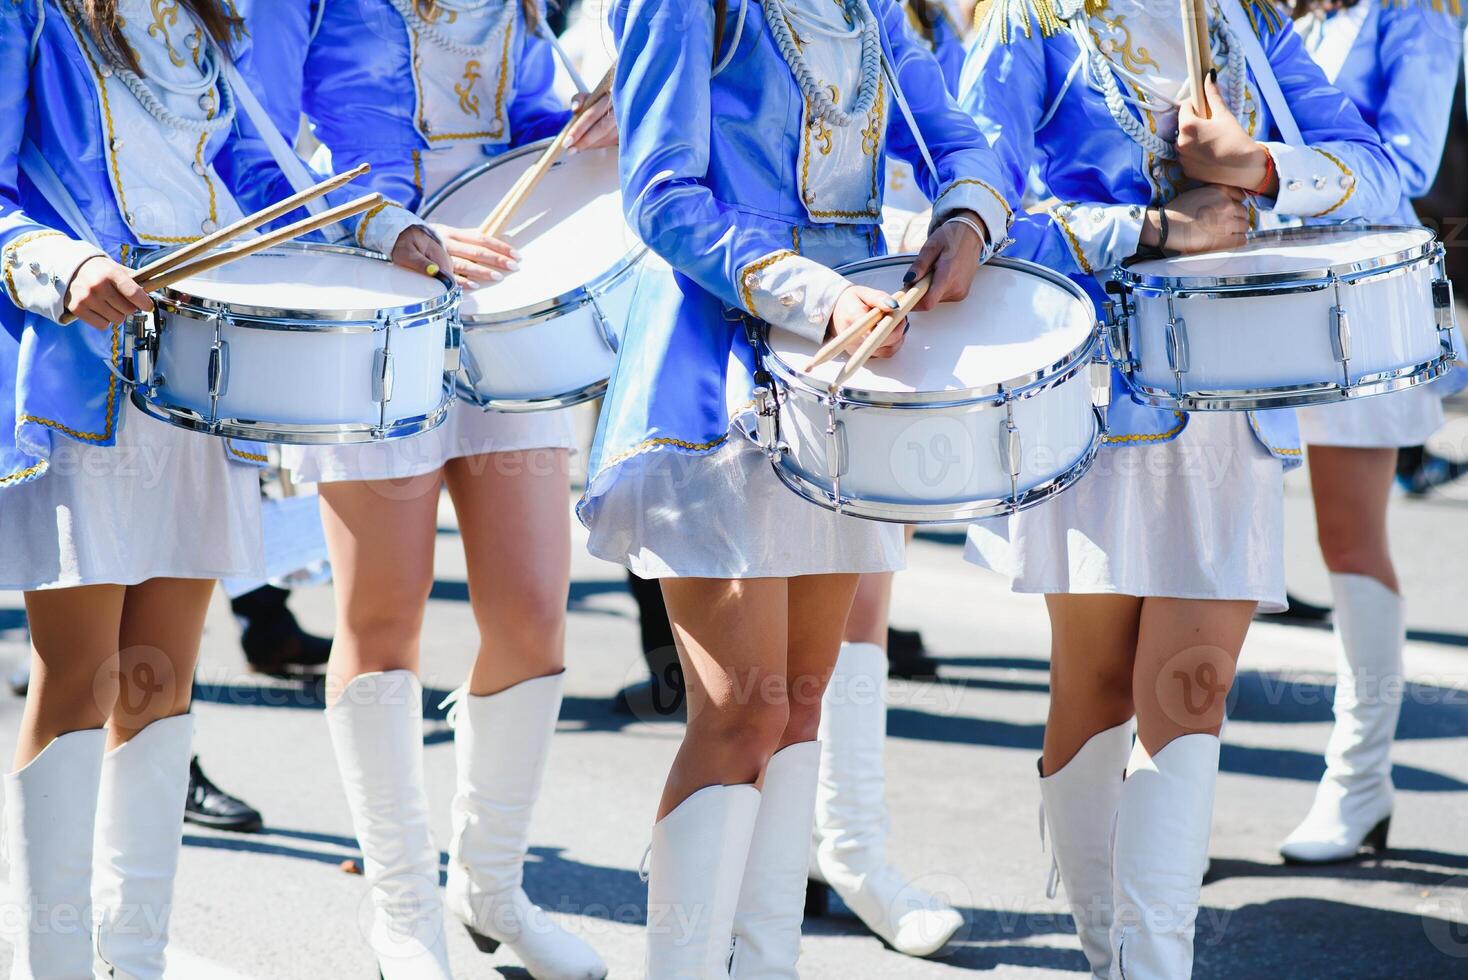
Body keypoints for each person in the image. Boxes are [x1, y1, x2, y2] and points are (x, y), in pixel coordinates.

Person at [960, 1, 1400, 976]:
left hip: (1227, 403)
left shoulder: (1245, 21)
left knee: (1191, 685)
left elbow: (1380, 171)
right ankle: (1105, 953)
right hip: (1089, 401)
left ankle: (1154, 966)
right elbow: (976, 216)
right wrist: (1154, 229)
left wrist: (1259, 166)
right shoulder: (1030, 22)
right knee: (1097, 681)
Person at [0, 2, 437, 976]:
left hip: (191, 381)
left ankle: (136, 949)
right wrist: (64, 263)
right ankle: (55, 960)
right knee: (78, 675)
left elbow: (262, 177)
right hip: (82, 383)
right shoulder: (30, 13)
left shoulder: (206, 20)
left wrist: (386, 226)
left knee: (159, 674)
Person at [584, 0, 1012, 973]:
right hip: (720, 368)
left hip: (845, 375)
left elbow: (958, 134)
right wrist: (816, 294)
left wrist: (965, 218)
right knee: (741, 707)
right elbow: (657, 190)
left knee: (799, 707)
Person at [248, 2, 615, 977]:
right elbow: (257, 128)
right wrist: (391, 225)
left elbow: (525, 125)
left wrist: (582, 131)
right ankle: (402, 908)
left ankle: (491, 886)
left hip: (508, 309)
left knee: (536, 614)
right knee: (382, 620)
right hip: (372, 310)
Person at [1278, 0, 1464, 865]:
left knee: (1348, 539)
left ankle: (1359, 782)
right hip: (1260, 289)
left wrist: (1265, 166)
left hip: (1364, 293)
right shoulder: (1290, 15)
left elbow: (1411, 160)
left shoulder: (1415, 17)